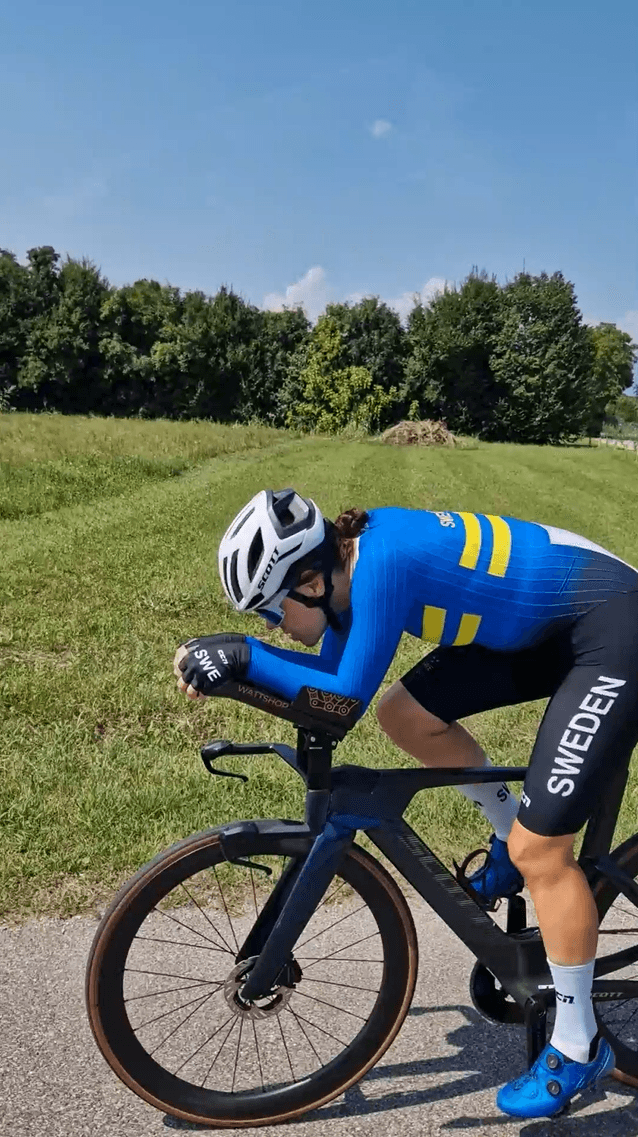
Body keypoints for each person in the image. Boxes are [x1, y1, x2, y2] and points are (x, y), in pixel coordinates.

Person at [174, 488, 638, 1119]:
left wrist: (245, 656)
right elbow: (330, 690)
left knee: (544, 851)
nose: (272, 626)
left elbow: (341, 699)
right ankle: (507, 838)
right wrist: (240, 663)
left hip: (611, 627)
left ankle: (578, 1043)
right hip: (546, 627)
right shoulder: (348, 577)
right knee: (407, 715)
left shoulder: (384, 566)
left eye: (269, 611)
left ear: (309, 581)